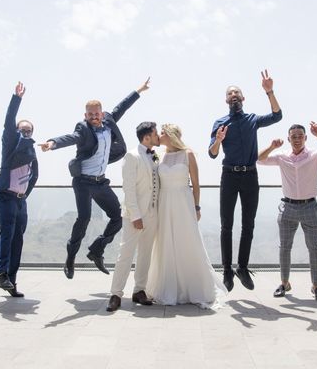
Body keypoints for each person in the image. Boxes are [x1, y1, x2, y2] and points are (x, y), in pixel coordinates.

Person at [40, 79, 150, 279]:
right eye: (90, 114)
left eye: (96, 113)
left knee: (118, 216)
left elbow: (121, 107)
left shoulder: (109, 120)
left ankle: (97, 249)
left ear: (101, 113)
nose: (93, 117)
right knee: (84, 219)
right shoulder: (83, 129)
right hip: (83, 181)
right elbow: (71, 137)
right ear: (85, 115)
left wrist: (139, 91)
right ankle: (70, 258)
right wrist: (52, 142)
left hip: (100, 181)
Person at [208, 70, 282, 291]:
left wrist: (270, 92)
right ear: (226, 100)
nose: (233, 95)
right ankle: (227, 270)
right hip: (229, 175)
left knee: (248, 224)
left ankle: (242, 267)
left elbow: (277, 116)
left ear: (243, 98)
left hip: (250, 175)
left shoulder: (253, 120)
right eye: (230, 93)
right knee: (226, 225)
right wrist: (218, 140)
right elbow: (212, 153)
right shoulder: (220, 123)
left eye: (237, 92)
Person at [147, 124, 226, 308]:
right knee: (166, 242)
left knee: (187, 241)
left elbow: (196, 185)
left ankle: (194, 286)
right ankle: (169, 287)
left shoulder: (188, 154)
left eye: (162, 133)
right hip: (164, 203)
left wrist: (197, 207)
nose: (159, 135)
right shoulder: (161, 156)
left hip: (183, 202)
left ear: (170, 135)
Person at [257, 122, 317, 301]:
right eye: (293, 136)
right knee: (284, 248)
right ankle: (284, 283)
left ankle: (316, 286)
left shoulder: (315, 155)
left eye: (300, 136)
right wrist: (271, 146)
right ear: (288, 139)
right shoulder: (282, 156)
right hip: (288, 207)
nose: (297, 139)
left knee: (314, 248)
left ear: (306, 138)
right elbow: (259, 159)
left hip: (309, 206)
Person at [106, 122, 160, 312]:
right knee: (125, 254)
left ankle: (139, 290)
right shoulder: (131, 155)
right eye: (156, 133)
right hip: (134, 215)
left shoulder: (154, 156)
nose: (159, 136)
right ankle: (115, 294)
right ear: (147, 136)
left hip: (153, 214)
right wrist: (136, 216)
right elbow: (128, 188)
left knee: (145, 254)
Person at [0, 82, 38, 297]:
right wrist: (16, 99)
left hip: (20, 200)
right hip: (4, 196)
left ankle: (11, 281)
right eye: (23, 130)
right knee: (8, 232)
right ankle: (2, 274)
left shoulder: (31, 150)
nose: (26, 133)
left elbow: (34, 175)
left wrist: (24, 195)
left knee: (18, 239)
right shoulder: (11, 142)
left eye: (29, 130)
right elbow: (9, 121)